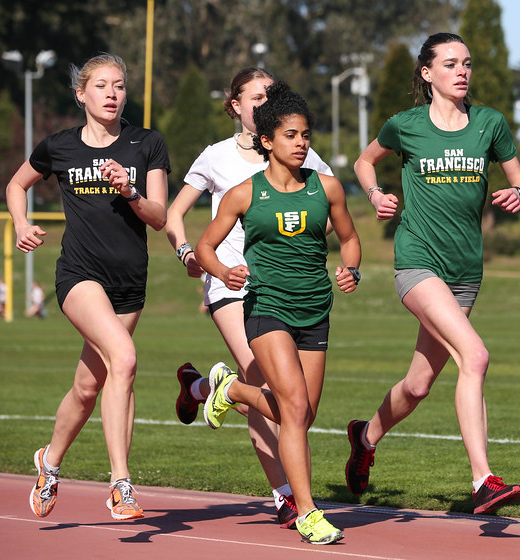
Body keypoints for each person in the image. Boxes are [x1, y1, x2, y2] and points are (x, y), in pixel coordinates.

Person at [345, 32, 520, 516]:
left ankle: (364, 437)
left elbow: (519, 177)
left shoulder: (490, 123)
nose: (462, 71)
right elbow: (364, 161)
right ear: (428, 74)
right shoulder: (405, 125)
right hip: (417, 262)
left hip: (466, 269)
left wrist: (519, 194)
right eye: (450, 64)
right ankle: (483, 480)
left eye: (467, 63)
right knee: (476, 354)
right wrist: (375, 194)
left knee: (419, 384)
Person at [164, 67, 334, 527]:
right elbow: (175, 213)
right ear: (235, 105)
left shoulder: (297, 148)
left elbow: (327, 199)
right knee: (269, 386)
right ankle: (285, 494)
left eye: (270, 96)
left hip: (290, 289)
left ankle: (202, 387)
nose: (263, 103)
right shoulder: (216, 157)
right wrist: (187, 254)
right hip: (232, 285)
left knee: (285, 402)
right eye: (255, 97)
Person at [195, 83, 360, 545]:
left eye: (306, 134)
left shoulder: (326, 187)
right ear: (267, 141)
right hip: (266, 307)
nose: (301, 142)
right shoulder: (244, 194)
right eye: (291, 135)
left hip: (315, 310)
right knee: (292, 405)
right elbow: (206, 246)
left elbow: (349, 238)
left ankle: (232, 389)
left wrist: (351, 268)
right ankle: (306, 511)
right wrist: (224, 272)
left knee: (302, 415)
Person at [6, 53, 169, 521]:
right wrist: (21, 223)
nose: (112, 94)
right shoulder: (60, 146)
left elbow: (158, 217)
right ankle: (120, 485)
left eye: (119, 85)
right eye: (101, 86)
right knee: (125, 358)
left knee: (87, 386)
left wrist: (131, 190)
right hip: (78, 276)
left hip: (129, 283)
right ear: (81, 94)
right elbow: (17, 185)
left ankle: (49, 462)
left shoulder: (146, 144)